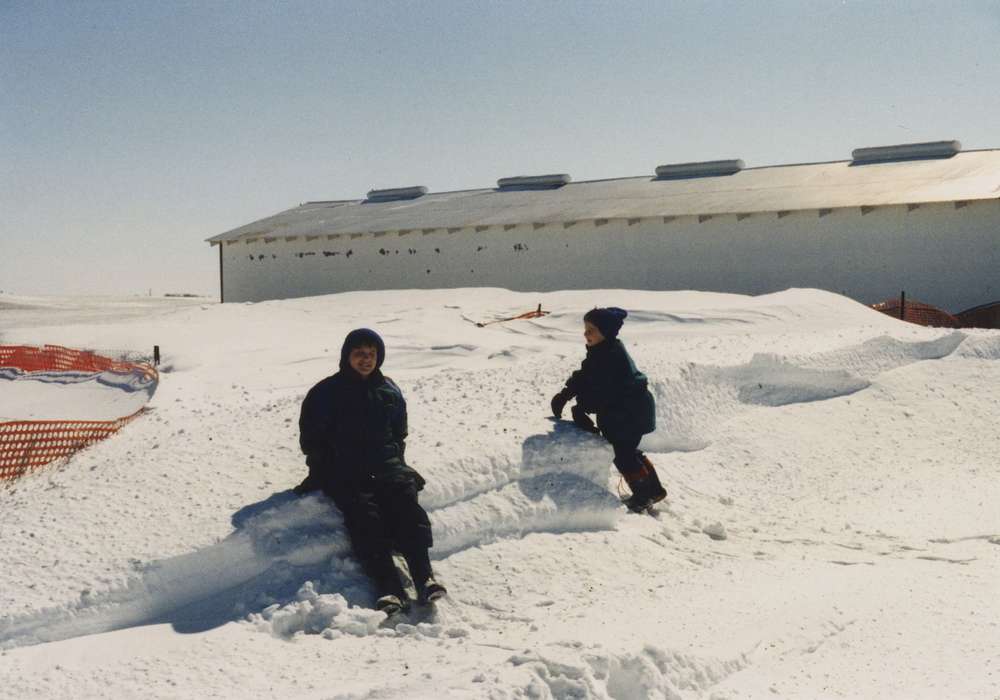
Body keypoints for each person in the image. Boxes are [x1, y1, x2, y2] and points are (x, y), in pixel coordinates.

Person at [295, 328, 446, 615]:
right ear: (347, 356)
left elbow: (398, 433)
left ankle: (424, 577)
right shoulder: (326, 393)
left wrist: (397, 464)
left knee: (408, 510)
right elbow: (311, 441)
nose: (366, 359)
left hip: (386, 467)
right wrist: (324, 471)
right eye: (359, 354)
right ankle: (389, 587)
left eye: (371, 354)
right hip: (346, 472)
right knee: (366, 519)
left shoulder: (388, 390)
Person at [550, 307, 667, 512]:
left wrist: (582, 408)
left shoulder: (610, 357)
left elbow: (604, 392)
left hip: (629, 413)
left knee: (623, 455)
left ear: (605, 332)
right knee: (629, 451)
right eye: (585, 329)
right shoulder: (602, 351)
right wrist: (566, 394)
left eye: (591, 330)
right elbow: (586, 375)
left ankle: (643, 496)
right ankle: (654, 490)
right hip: (630, 411)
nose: (586, 334)